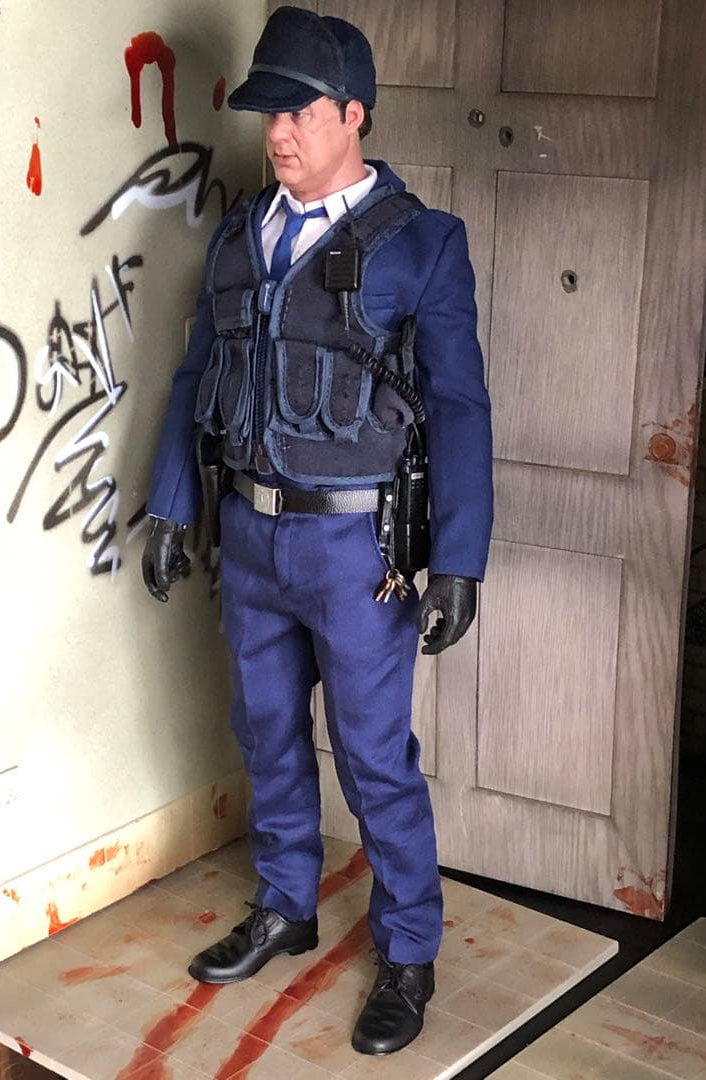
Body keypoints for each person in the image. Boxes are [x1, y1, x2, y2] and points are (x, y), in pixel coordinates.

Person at [142, 5, 492, 1055]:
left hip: (356, 552)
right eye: (269, 114)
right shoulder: (239, 235)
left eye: (300, 112)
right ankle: (287, 903)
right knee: (265, 731)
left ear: (354, 113)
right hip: (250, 537)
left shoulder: (423, 244)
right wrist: (173, 501)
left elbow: (460, 406)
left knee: (374, 756)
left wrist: (458, 559)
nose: (280, 133)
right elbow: (197, 375)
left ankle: (410, 950)